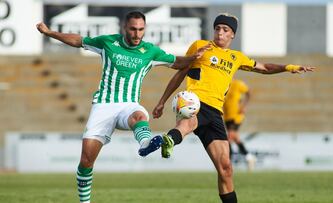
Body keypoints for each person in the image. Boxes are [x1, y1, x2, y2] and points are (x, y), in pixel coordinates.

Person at [36, 11, 208, 203]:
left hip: (128, 105)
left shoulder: (150, 51)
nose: (137, 34)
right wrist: (50, 33)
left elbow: (177, 63)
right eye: (133, 29)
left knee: (140, 115)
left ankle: (145, 144)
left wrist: (194, 57)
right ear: (124, 28)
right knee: (86, 161)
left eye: (141, 30)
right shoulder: (107, 42)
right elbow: (79, 40)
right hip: (103, 106)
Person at [152, 13, 315, 203]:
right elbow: (181, 73)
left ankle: (171, 139)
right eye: (217, 28)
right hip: (195, 101)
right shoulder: (200, 46)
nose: (220, 33)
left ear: (232, 35)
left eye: (225, 30)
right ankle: (170, 139)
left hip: (216, 113)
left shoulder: (236, 57)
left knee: (226, 169)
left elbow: (265, 67)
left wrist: (288, 67)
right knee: (190, 119)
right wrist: (162, 101)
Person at [223, 79, 256, 170]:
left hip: (237, 115)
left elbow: (249, 93)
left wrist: (244, 106)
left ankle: (228, 162)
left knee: (229, 137)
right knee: (235, 138)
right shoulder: (222, 85)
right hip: (227, 117)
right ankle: (249, 157)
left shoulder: (237, 84)